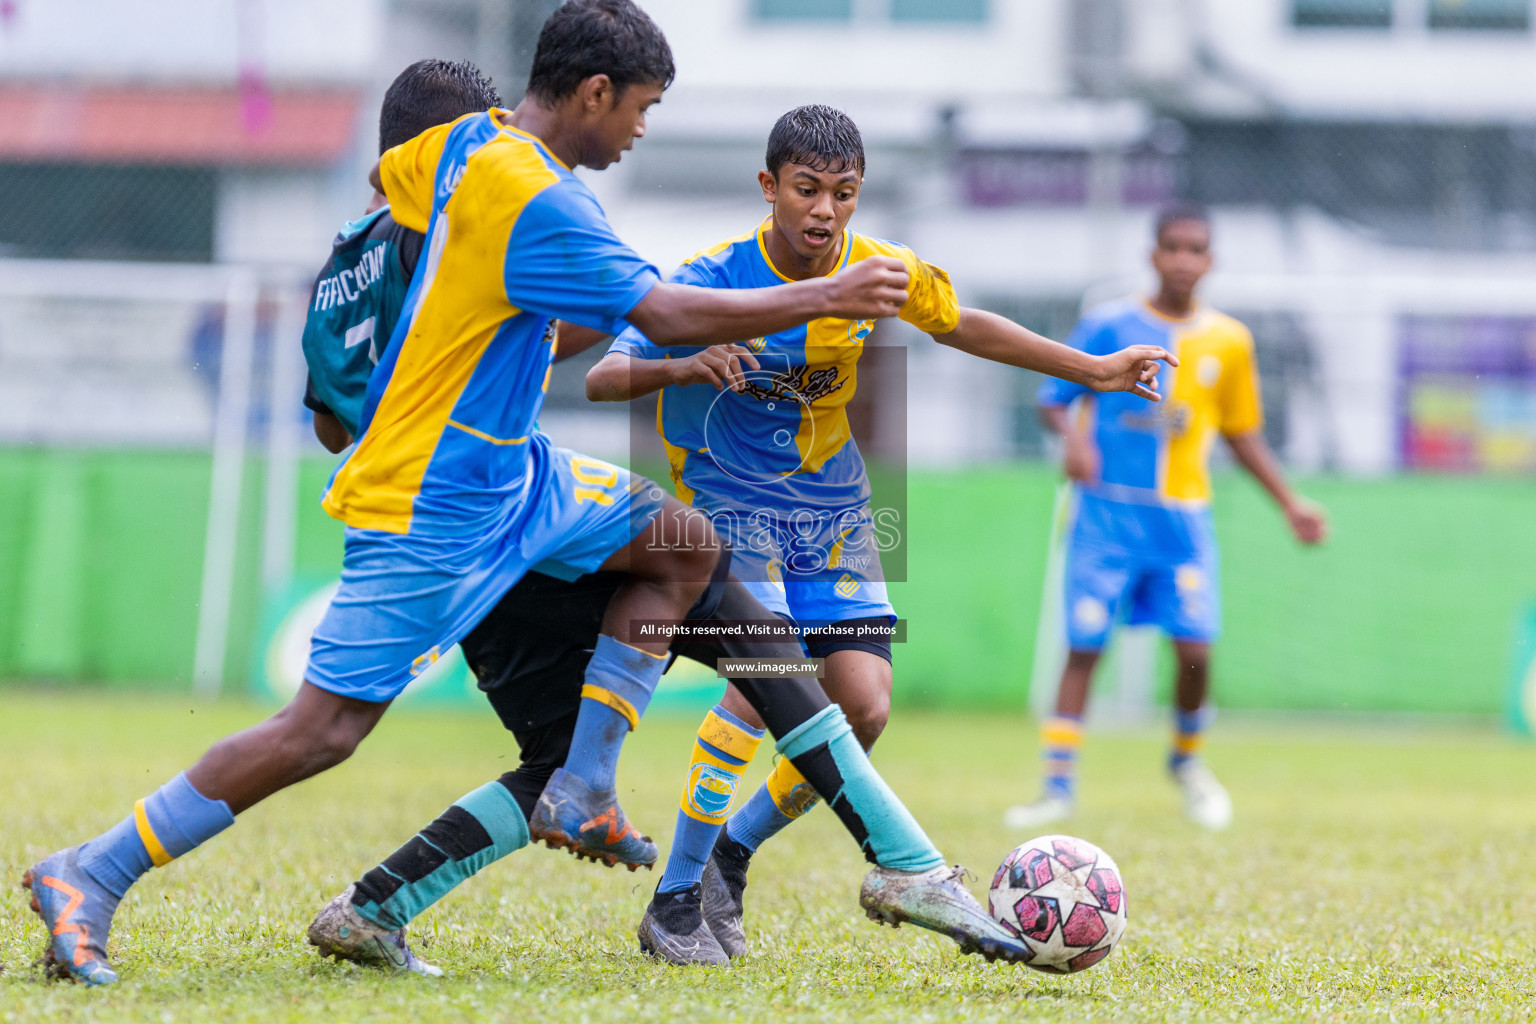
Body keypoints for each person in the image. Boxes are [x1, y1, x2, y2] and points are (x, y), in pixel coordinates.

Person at [21, 2, 1034, 986]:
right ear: (594, 92)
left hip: (523, 472)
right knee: (319, 731)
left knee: (684, 545)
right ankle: (93, 868)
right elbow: (665, 313)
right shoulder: (541, 198)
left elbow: (391, 177)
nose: (641, 130)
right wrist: (825, 293)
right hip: (434, 500)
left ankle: (606, 792)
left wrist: (435, 293)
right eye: (639, 108)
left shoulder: (463, 144)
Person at [585, 104, 1177, 965]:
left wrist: (1091, 370)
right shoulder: (711, 277)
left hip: (835, 512)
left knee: (862, 706)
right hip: (731, 505)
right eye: (807, 190)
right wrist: (683, 362)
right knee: (765, 676)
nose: (824, 211)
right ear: (770, 188)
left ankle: (731, 853)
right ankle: (676, 900)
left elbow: (962, 322)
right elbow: (605, 374)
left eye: (844, 193)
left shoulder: (877, 270)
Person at [1003, 202, 1328, 834]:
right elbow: (1053, 398)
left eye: (1195, 249)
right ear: (1153, 255)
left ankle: (1186, 764)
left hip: (1182, 524)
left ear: (1210, 261)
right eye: (1172, 247)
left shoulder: (1230, 341)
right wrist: (1071, 437)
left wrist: (1292, 504)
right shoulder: (1108, 325)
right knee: (1085, 646)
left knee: (1196, 651)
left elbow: (1243, 433)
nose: (1183, 259)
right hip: (1106, 517)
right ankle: (1056, 787)